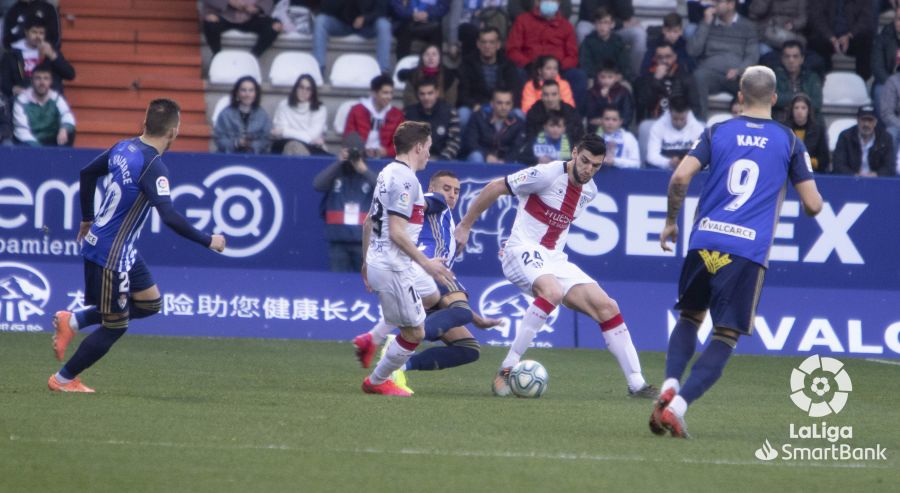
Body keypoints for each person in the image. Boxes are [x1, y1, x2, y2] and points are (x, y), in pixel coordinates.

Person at [649, 66, 822, 437]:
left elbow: (680, 177)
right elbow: (814, 204)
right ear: (775, 99)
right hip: (746, 250)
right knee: (725, 335)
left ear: (740, 97)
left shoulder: (717, 131)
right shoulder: (790, 141)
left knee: (690, 317)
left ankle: (670, 385)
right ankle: (677, 408)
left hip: (704, 240)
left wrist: (671, 221)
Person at [454, 134, 657, 398]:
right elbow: (495, 187)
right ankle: (507, 367)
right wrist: (466, 225)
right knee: (552, 291)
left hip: (554, 259)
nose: (588, 169)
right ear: (574, 153)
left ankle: (637, 383)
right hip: (521, 250)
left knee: (607, 307)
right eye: (584, 161)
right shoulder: (546, 174)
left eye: (596, 165)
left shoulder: (590, 191)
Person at [48, 99, 227, 393]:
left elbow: (86, 173)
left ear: (145, 122)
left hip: (122, 248)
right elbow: (169, 216)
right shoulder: (153, 167)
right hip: (111, 254)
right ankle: (64, 379)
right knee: (115, 326)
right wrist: (210, 240)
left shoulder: (124, 147)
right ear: (174, 131)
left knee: (149, 304)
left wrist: (87, 218)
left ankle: (73, 320)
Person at [353, 170, 500, 391]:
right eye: (446, 188)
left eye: (456, 191)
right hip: (428, 269)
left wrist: (477, 319)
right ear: (432, 188)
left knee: (468, 348)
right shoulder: (433, 200)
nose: (451, 195)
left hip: (425, 280)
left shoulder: (445, 217)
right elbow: (421, 204)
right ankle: (396, 340)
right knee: (460, 311)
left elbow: (372, 222)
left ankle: (398, 366)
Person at [359, 121, 456, 396]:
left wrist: (365, 263)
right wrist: (426, 263)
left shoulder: (387, 173)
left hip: (380, 264)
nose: (428, 154)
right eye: (428, 148)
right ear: (418, 147)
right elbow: (397, 232)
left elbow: (368, 222)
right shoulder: (406, 180)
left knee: (410, 325)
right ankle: (377, 382)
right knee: (415, 333)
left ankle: (374, 360)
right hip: (393, 267)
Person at [506, 0, 588, 112]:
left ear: (559, 3)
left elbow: (572, 55)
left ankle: (573, 116)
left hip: (559, 70)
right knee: (516, 72)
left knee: (579, 76)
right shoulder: (522, 21)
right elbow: (512, 50)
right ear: (536, 2)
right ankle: (519, 114)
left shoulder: (566, 25)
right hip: (530, 68)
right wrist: (528, 65)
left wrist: (557, 68)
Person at [313, 134, 377, 272]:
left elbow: (385, 190)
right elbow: (318, 185)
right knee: (338, 284)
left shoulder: (368, 175)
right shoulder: (336, 173)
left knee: (363, 285)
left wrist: (363, 169)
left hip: (363, 241)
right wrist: (339, 162)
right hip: (338, 239)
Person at [686, 0, 759, 119]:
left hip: (736, 77)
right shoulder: (707, 23)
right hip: (710, 75)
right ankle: (700, 123)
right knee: (698, 77)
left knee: (753, 83)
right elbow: (692, 51)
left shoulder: (748, 27)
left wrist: (739, 70)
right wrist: (705, 24)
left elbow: (752, 56)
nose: (715, 6)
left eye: (719, 2)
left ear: (731, 4)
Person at [457, 26, 523, 129]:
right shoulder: (467, 64)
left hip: (502, 105)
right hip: (476, 106)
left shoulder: (508, 65)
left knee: (518, 114)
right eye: (484, 42)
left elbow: (515, 92)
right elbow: (463, 93)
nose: (487, 46)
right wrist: (474, 105)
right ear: (478, 44)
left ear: (498, 45)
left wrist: (501, 106)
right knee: (463, 115)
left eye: (491, 42)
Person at [0, 15, 74, 99]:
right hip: (23, 100)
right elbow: (4, 83)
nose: (38, 36)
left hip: (49, 101)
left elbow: (70, 75)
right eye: (34, 32)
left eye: (41, 33)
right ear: (26, 32)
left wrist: (53, 56)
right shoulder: (11, 54)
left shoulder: (51, 52)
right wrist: (13, 89)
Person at [313, 0, 391, 74]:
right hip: (343, 24)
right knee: (321, 20)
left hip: (368, 26)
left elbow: (382, 11)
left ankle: (383, 72)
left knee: (384, 24)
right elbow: (325, 8)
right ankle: (318, 69)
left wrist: (365, 19)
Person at [806, 0, 874, 80]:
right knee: (815, 42)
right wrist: (831, 37)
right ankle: (825, 81)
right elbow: (817, 16)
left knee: (865, 41)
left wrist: (849, 35)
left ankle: (862, 81)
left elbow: (866, 19)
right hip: (828, 36)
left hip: (851, 36)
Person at [635, 42, 701, 122]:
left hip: (680, 121)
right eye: (660, 57)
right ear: (655, 59)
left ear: (674, 57)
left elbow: (695, 106)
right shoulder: (648, 77)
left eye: (668, 56)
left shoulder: (685, 77)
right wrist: (656, 80)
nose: (664, 60)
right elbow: (643, 104)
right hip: (655, 121)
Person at [12, 64, 75, 146]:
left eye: (46, 78)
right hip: (30, 143)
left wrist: (64, 129)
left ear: (50, 81)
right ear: (32, 81)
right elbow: (22, 131)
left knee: (69, 132)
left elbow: (67, 116)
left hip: (52, 140)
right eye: (38, 78)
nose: (42, 82)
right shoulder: (21, 100)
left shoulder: (56, 98)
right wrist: (39, 149)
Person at [345, 74, 405, 159]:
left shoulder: (397, 114)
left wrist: (386, 151)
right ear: (374, 93)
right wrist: (362, 151)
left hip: (386, 159)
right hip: (359, 157)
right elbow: (349, 136)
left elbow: (401, 143)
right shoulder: (357, 110)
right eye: (385, 93)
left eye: (391, 93)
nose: (389, 97)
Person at [403, 78, 462, 160]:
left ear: (437, 93)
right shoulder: (409, 114)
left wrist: (442, 160)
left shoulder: (450, 113)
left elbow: (455, 141)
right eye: (422, 94)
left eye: (430, 93)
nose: (426, 97)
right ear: (418, 95)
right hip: (416, 161)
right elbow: (405, 140)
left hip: (443, 161)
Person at [462, 88, 526, 163]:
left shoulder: (518, 123)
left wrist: (505, 160)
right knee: (476, 156)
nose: (504, 107)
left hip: (506, 162)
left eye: (507, 103)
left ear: (512, 105)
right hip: (483, 159)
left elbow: (518, 147)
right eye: (499, 103)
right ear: (492, 104)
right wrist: (486, 155)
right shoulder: (478, 117)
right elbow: (470, 142)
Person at [271, 74, 328, 155]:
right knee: (293, 146)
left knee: (296, 147)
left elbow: (312, 136)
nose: (304, 92)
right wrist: (306, 137)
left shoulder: (320, 108)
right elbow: (279, 134)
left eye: (308, 89)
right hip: (285, 144)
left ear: (313, 92)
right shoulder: (284, 105)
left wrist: (284, 131)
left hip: (311, 148)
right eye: (301, 87)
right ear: (296, 88)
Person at [832, 105, 896, 177]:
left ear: (876, 122)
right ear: (857, 120)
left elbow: (890, 167)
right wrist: (854, 175)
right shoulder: (845, 137)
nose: (866, 124)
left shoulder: (886, 138)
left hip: (877, 182)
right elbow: (838, 164)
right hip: (851, 181)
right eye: (863, 120)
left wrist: (875, 175)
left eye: (870, 120)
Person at [202, 0, 282, 57]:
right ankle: (217, 56)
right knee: (210, 22)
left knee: (275, 26)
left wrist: (258, 8)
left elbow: (267, 3)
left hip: (251, 17)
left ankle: (252, 57)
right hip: (224, 14)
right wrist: (231, 2)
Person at [213, 76, 271, 154]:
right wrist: (237, 143)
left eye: (251, 90)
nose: (247, 94)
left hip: (256, 157)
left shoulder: (262, 115)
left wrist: (252, 146)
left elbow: (266, 139)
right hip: (229, 156)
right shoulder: (225, 114)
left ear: (256, 94)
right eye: (244, 90)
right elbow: (219, 138)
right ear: (237, 93)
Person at [645, 96, 704, 170]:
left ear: (688, 112)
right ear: (669, 112)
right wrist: (668, 162)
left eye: (682, 119)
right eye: (675, 119)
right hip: (664, 171)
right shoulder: (658, 127)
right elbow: (651, 156)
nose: (679, 123)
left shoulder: (698, 129)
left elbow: (703, 156)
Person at [398, 44, 459, 108]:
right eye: (427, 55)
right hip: (417, 113)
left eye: (434, 54)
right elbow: (409, 98)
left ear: (439, 58)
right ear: (422, 58)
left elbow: (450, 101)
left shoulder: (448, 76)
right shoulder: (413, 74)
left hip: (440, 113)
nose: (431, 58)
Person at [579, 7, 631, 81]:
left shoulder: (618, 42)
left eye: (606, 22)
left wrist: (617, 76)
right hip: (595, 79)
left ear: (612, 24)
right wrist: (601, 77)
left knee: (627, 89)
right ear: (595, 24)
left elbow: (625, 65)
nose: (602, 26)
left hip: (615, 79)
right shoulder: (588, 42)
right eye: (599, 22)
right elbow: (585, 65)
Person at [773, 41, 822, 119]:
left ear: (802, 59)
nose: (791, 60)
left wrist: (789, 102)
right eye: (787, 56)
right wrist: (800, 98)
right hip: (780, 120)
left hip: (807, 122)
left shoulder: (812, 77)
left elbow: (817, 103)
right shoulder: (774, 76)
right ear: (782, 59)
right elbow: (773, 99)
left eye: (795, 56)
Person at [525, 79, 583, 144]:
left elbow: (579, 138)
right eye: (546, 95)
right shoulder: (533, 113)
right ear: (541, 97)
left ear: (560, 96)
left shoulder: (571, 113)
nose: (550, 99)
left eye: (554, 94)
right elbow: (530, 139)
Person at [784, 93, 829, 173]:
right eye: (796, 108)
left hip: (812, 173)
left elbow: (824, 159)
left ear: (808, 110)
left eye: (803, 108)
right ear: (792, 110)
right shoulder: (784, 129)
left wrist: (806, 162)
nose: (799, 111)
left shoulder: (818, 130)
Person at [585, 63, 633, 133]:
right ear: (598, 77)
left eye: (610, 77)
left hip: (619, 128)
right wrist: (602, 98)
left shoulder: (623, 92)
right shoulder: (592, 92)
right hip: (597, 129)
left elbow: (627, 114)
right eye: (603, 77)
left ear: (616, 78)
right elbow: (591, 114)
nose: (606, 81)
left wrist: (614, 122)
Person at [872, 6, 900, 115]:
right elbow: (877, 67)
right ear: (894, 20)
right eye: (898, 19)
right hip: (887, 81)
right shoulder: (883, 38)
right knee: (879, 91)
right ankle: (885, 128)